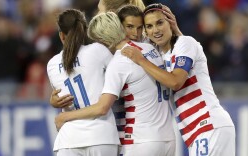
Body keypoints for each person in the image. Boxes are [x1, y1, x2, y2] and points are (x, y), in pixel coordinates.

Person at [54, 12, 176, 156]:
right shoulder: (150, 49)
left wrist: (65, 116)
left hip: (140, 140)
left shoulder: (119, 63)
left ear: (102, 40)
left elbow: (102, 107)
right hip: (168, 138)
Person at [121, 3, 235, 156]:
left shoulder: (186, 43)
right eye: (149, 26)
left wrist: (141, 60)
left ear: (171, 22)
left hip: (208, 125)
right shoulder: (159, 55)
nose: (155, 30)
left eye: (160, 23)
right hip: (197, 132)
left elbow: (176, 82)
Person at [46, 9, 119, 156]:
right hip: (101, 134)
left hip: (69, 139)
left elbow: (61, 97)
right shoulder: (99, 51)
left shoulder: (52, 64)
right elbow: (120, 77)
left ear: (61, 35)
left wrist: (53, 102)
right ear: (85, 31)